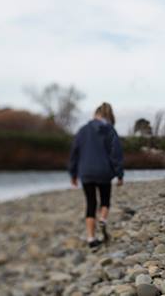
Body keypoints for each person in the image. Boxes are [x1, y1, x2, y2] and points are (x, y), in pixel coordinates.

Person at [69, 102, 124, 249]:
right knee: (105, 200)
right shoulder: (110, 130)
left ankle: (91, 238)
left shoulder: (82, 130)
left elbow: (75, 152)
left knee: (90, 203)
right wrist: (119, 174)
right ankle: (103, 219)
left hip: (86, 172)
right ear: (109, 116)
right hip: (104, 171)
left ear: (95, 114)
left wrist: (73, 173)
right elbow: (116, 153)